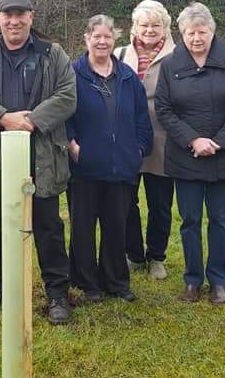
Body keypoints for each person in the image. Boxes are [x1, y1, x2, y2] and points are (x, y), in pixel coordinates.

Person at [0, 0, 76, 325]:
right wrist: (3, 117)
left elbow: (67, 95)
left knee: (49, 227)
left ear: (31, 16)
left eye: (20, 14)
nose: (14, 21)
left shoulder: (52, 53)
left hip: (42, 160)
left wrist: (31, 122)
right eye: (7, 15)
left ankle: (57, 294)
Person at [154, 2, 225, 305]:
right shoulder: (170, 66)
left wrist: (218, 141)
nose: (197, 38)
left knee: (220, 220)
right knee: (190, 221)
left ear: (212, 31)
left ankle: (218, 280)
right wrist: (193, 140)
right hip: (186, 157)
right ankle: (193, 280)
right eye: (191, 32)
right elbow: (164, 110)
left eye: (202, 31)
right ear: (182, 34)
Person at [67, 15, 152, 303]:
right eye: (96, 36)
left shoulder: (128, 77)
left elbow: (142, 118)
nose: (102, 41)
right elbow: (63, 114)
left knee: (117, 225)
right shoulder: (72, 74)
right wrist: (73, 145)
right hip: (85, 167)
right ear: (87, 39)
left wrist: (139, 148)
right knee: (83, 227)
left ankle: (116, 281)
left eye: (107, 37)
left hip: (122, 166)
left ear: (114, 40)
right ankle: (87, 282)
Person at [115, 0, 177, 280]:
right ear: (134, 27)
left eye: (155, 25)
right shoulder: (119, 53)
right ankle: (133, 254)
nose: (149, 30)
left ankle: (156, 257)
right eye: (144, 24)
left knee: (160, 203)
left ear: (165, 28)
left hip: (164, 141)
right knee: (126, 201)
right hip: (126, 142)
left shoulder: (179, 56)